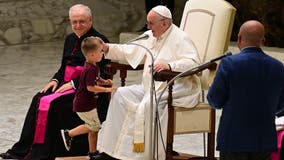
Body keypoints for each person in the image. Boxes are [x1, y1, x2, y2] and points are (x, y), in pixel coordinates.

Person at [0, 4, 110, 160]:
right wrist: (55, 80)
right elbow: (64, 66)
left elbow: (102, 71)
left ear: (90, 20)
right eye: (74, 22)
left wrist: (73, 84)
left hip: (84, 89)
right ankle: (22, 149)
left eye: (82, 21)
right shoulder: (70, 38)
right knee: (38, 98)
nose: (77, 26)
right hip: (64, 83)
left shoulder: (100, 40)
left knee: (51, 104)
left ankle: (44, 151)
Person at [94, 5, 201, 160]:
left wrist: (170, 65)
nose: (148, 27)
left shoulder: (181, 38)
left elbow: (193, 63)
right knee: (121, 95)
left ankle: (146, 155)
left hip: (177, 87)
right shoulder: (150, 35)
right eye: (147, 23)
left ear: (164, 23)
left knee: (148, 104)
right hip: (152, 87)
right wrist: (107, 47)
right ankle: (110, 152)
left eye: (151, 23)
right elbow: (128, 50)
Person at [207, 20, 284, 160]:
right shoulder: (279, 67)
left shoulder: (229, 64)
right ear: (263, 41)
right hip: (264, 141)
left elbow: (215, 101)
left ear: (239, 39)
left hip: (233, 141)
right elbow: (280, 106)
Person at [60, 36, 116, 160]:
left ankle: (92, 153)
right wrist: (107, 90)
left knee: (93, 129)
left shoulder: (93, 66)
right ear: (91, 55)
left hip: (88, 103)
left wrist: (105, 81)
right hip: (84, 104)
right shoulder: (90, 69)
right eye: (100, 51)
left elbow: (96, 79)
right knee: (94, 126)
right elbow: (90, 87)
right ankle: (69, 133)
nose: (102, 53)